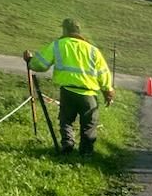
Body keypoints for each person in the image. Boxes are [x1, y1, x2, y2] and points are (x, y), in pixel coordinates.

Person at [23, 19, 114, 155]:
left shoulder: (58, 45)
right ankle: (86, 153)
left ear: (65, 30)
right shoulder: (93, 50)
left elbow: (40, 64)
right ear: (79, 32)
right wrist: (108, 91)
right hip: (88, 94)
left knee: (66, 120)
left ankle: (67, 143)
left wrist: (30, 61)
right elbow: (103, 73)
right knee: (89, 125)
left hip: (68, 91)